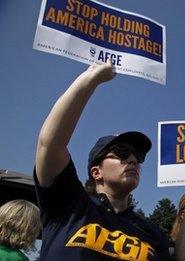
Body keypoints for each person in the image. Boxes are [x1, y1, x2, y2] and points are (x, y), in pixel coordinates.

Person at [34, 62, 169, 260]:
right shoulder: (69, 204)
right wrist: (90, 79)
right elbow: (50, 144)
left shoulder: (153, 234)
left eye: (138, 157)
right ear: (96, 172)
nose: (132, 160)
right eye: (122, 153)